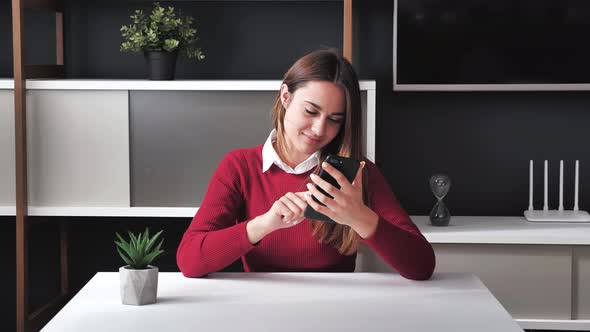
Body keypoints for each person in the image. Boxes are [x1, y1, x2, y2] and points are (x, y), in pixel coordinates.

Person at [177, 49, 435, 280]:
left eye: (334, 119)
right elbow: (189, 260)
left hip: (336, 313)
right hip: (260, 312)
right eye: (311, 111)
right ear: (286, 96)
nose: (319, 129)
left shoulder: (356, 173)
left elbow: (422, 266)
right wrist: (264, 224)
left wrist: (359, 217)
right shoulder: (240, 166)